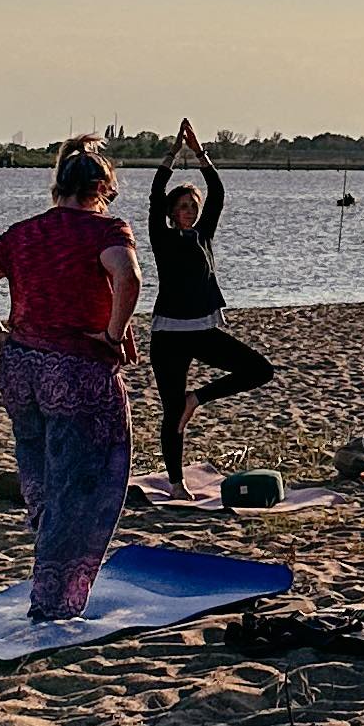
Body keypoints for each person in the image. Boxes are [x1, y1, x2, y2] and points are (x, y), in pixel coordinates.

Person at [0, 139, 141, 623]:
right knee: (86, 483)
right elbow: (129, 277)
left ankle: (47, 562)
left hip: (22, 367)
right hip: (76, 369)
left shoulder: (23, 233)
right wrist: (114, 333)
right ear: (100, 189)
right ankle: (54, 599)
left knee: (38, 470)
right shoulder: (106, 229)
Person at [146, 117, 271, 488]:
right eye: (182, 206)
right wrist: (172, 152)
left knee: (260, 370)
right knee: (171, 413)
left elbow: (216, 190)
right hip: (168, 334)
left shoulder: (204, 234)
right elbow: (156, 194)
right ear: (172, 212)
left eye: (192, 206)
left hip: (203, 330)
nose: (189, 210)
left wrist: (200, 152)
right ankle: (177, 483)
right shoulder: (162, 236)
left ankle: (196, 398)